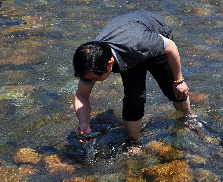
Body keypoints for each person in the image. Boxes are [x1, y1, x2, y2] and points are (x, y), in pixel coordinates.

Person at [73, 10, 190, 142]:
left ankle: (188, 118)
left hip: (155, 35)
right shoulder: (90, 61)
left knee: (173, 88)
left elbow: (171, 46)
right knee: (134, 99)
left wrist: (179, 80)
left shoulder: (140, 43)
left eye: (95, 78)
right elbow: (82, 95)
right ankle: (134, 142)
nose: (92, 81)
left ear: (110, 65)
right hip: (127, 47)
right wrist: (84, 123)